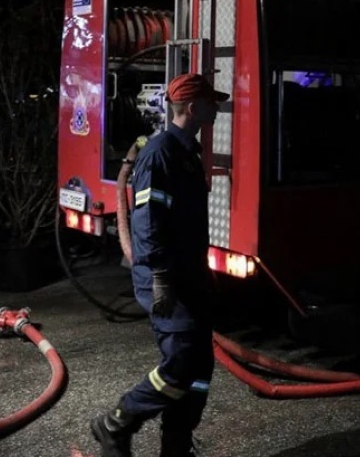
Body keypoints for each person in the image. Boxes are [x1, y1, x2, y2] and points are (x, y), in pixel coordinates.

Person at [91, 73, 229, 457]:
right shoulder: (159, 153)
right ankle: (116, 421)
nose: (215, 107)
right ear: (190, 107)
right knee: (182, 362)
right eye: (209, 101)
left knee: (199, 371)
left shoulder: (186, 151)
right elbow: (148, 221)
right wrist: (162, 278)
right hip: (165, 277)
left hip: (189, 277)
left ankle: (176, 446)